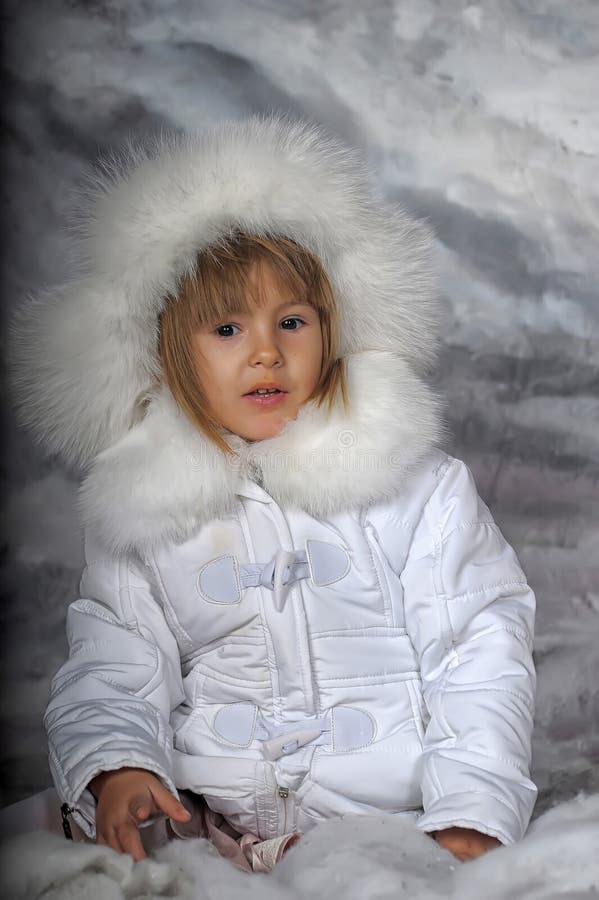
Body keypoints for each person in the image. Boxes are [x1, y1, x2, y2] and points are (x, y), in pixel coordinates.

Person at [9, 116, 537, 868]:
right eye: (225, 329)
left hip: (379, 824)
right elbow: (115, 662)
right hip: (201, 821)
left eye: (291, 321)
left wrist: (470, 811)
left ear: (333, 329)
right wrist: (117, 765)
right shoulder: (145, 516)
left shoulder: (418, 492)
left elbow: (479, 653)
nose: (265, 350)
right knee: (44, 856)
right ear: (163, 355)